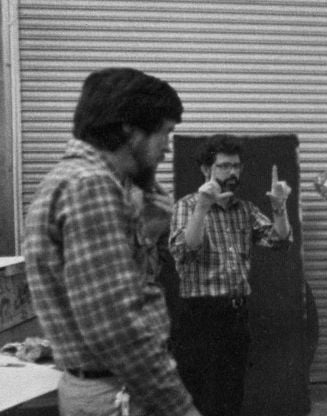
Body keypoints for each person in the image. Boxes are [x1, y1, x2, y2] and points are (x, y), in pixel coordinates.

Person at [23, 67, 202, 416]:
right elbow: (117, 328)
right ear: (129, 130)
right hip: (116, 393)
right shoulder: (91, 186)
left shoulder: (70, 179)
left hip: (104, 387)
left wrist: (147, 230)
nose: (167, 147)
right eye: (165, 132)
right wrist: (181, 408)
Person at [168, 135, 292, 416]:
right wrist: (203, 206)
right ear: (205, 170)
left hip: (235, 316)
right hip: (200, 316)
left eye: (236, 166)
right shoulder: (186, 206)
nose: (233, 172)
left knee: (231, 394)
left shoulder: (244, 209)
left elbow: (280, 240)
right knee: (201, 396)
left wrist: (279, 206)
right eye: (224, 166)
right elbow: (185, 250)